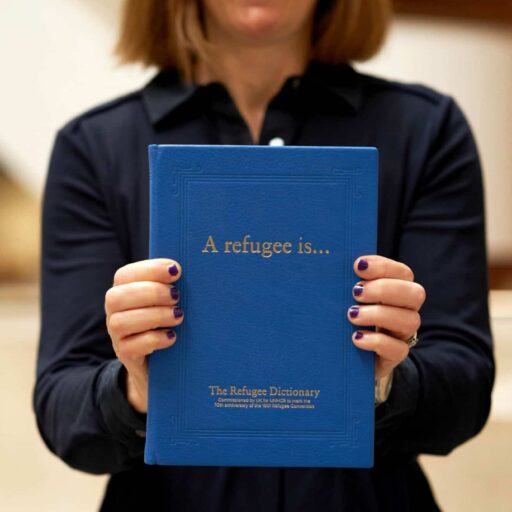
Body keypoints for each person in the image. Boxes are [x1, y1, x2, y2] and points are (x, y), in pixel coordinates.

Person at [34, 0, 494, 510]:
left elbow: (466, 390)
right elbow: (62, 412)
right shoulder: (93, 146)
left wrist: (384, 383)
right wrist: (139, 389)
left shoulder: (426, 131)